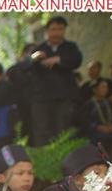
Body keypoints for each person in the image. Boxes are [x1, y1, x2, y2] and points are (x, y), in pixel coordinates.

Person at [23, 16, 83, 146]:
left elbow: (77, 61)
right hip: (42, 100)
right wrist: (35, 58)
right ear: (47, 31)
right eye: (53, 29)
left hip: (64, 99)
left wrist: (58, 60)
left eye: (60, 29)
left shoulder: (70, 48)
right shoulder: (39, 49)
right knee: (43, 133)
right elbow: (25, 67)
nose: (56, 33)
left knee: (63, 133)